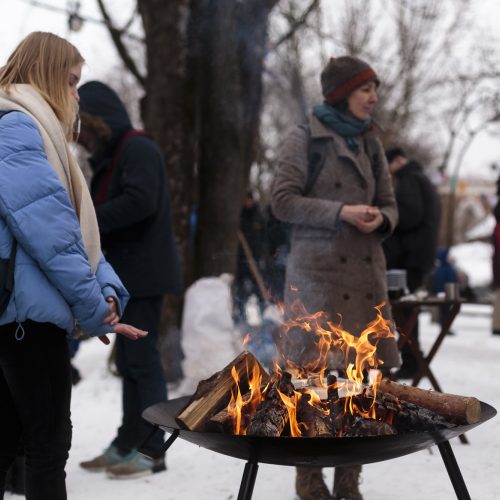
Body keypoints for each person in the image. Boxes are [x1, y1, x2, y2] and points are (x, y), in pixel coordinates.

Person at [0, 32, 147, 500]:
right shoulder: (17, 127)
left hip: (25, 317)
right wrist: (92, 305)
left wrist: (105, 291)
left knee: (13, 443)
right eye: (70, 81)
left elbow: (79, 239)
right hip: (26, 321)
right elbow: (51, 234)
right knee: (46, 446)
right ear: (43, 74)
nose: (76, 95)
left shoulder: (34, 131)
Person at [272, 56, 400, 500]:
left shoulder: (371, 144)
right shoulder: (304, 138)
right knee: (312, 387)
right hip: (317, 284)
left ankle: (349, 485)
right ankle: (310, 483)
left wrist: (380, 218)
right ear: (342, 93)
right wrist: (340, 212)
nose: (374, 98)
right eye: (367, 89)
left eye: (375, 89)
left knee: (358, 388)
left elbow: (391, 206)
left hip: (365, 283)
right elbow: (282, 202)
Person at [76, 81, 182, 478]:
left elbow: (141, 201)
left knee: (144, 362)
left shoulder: (138, 148)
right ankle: (126, 442)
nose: (81, 138)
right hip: (126, 274)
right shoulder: (111, 157)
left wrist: (86, 219)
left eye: (84, 128)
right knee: (128, 361)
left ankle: (154, 450)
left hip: (145, 274)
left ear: (99, 122)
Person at [383, 147, 441, 379]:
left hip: (411, 256)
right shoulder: (422, 179)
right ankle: (412, 359)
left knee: (403, 309)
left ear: (397, 161)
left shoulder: (409, 178)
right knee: (405, 309)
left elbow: (409, 214)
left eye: (388, 167)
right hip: (420, 254)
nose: (387, 173)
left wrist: (385, 218)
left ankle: (412, 360)